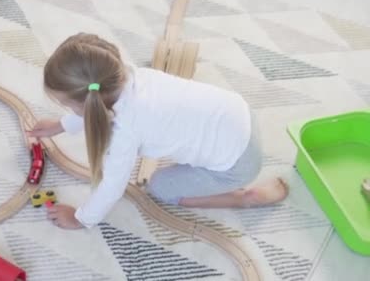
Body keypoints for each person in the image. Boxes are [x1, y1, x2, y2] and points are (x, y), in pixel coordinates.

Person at [28, 33, 289, 229]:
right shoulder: (126, 73)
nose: (66, 109)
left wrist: (80, 218)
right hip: (241, 115)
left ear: (88, 103)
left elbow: (112, 185)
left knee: (160, 186)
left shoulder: (125, 131)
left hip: (237, 166)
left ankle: (245, 199)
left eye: (66, 105)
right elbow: (94, 105)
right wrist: (61, 124)